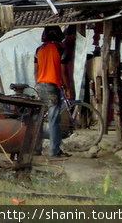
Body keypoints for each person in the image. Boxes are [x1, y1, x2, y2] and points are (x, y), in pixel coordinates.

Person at [34, 25, 70, 158]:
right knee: (53, 119)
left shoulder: (39, 50)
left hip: (40, 86)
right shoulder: (61, 50)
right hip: (52, 86)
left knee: (38, 119)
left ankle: (36, 148)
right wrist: (67, 88)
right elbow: (63, 72)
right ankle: (54, 151)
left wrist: (38, 83)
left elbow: (36, 71)